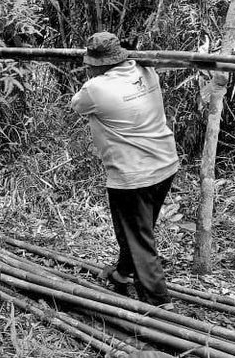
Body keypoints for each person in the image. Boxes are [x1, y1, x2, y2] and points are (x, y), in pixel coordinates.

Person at [68, 32, 180, 305]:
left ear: (99, 63)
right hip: (165, 163)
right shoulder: (146, 70)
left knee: (138, 237)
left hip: (133, 175)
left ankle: (158, 304)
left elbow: (75, 106)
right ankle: (123, 274)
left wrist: (95, 78)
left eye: (91, 62)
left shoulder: (95, 89)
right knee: (135, 228)